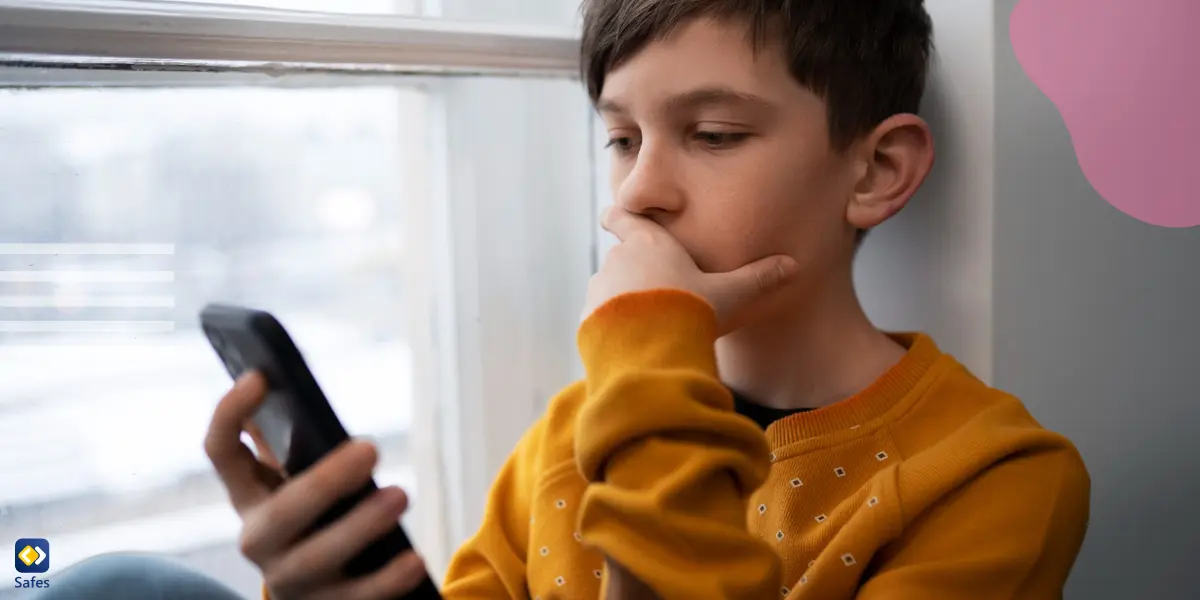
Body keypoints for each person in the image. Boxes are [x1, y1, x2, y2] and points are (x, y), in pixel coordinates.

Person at [41, 0, 1090, 598]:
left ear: (874, 174)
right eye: (622, 139)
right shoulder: (576, 433)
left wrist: (649, 351)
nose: (636, 192)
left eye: (714, 136)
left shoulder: (995, 480)